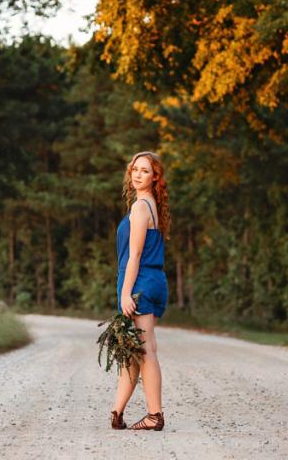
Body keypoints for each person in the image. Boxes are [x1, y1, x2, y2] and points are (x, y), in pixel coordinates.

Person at [110, 151, 170, 432]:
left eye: (145, 171)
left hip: (141, 283)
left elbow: (133, 256)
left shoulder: (140, 208)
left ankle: (155, 415)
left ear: (155, 176)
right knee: (134, 350)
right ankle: (117, 412)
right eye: (135, 168)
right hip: (154, 280)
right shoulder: (151, 204)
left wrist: (124, 293)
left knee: (145, 350)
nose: (137, 174)